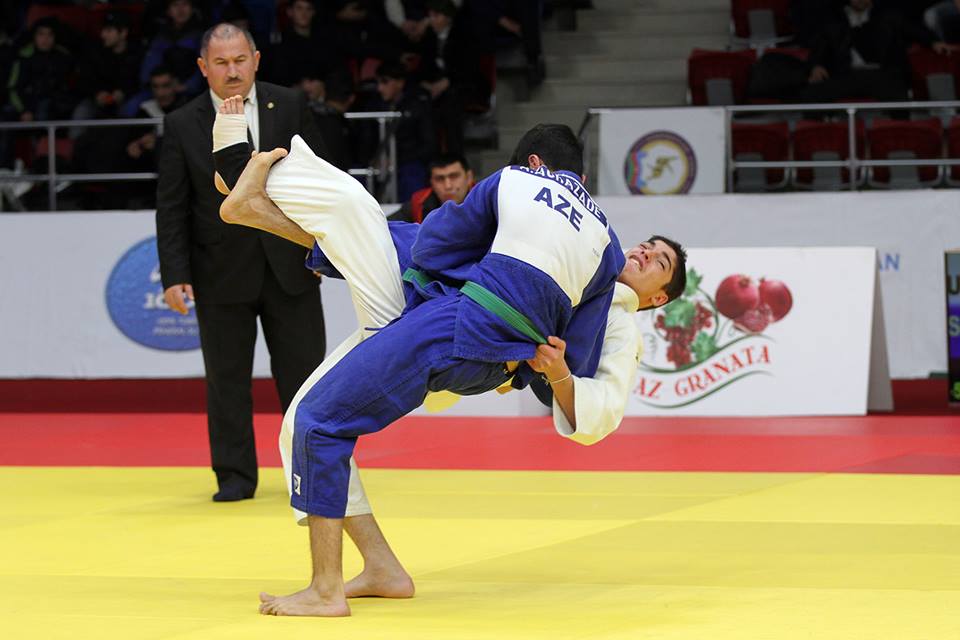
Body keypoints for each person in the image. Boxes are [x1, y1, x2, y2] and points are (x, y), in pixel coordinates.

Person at [214, 105, 683, 616]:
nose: (643, 254)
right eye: (647, 245)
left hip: (457, 333)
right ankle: (381, 568)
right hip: (449, 323)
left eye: (658, 261)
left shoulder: (618, 315)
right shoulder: (594, 246)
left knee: (361, 219)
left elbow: (591, 401)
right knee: (302, 422)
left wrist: (557, 374)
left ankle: (244, 179)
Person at [156, 23, 330, 503]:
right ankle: (234, 477)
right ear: (202, 67)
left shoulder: (289, 105)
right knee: (226, 382)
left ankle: (314, 471)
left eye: (239, 60)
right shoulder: (182, 123)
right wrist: (175, 275)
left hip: (291, 263)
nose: (232, 71)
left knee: (305, 378)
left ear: (256, 59)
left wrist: (326, 247)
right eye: (220, 62)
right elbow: (172, 206)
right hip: (218, 271)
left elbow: (322, 180)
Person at [368, 60, 436, 201]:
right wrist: (375, 159)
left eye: (385, 82)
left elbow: (429, 145)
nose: (380, 88)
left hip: (409, 164)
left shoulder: (418, 105)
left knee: (412, 178)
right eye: (378, 83)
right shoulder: (373, 105)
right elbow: (365, 139)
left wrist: (396, 160)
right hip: (379, 165)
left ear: (400, 82)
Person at [390, 153, 474, 223]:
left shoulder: (481, 200)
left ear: (469, 177)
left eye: (454, 176)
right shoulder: (419, 204)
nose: (448, 186)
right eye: (439, 179)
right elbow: (387, 226)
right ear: (431, 183)